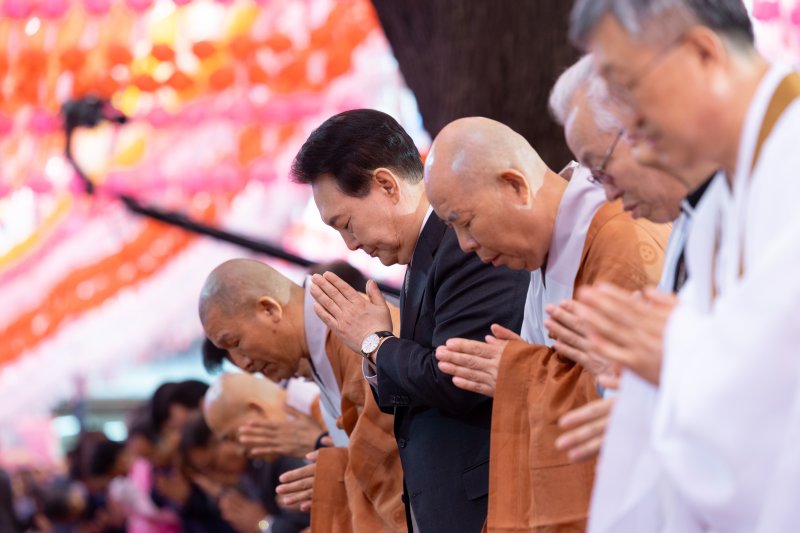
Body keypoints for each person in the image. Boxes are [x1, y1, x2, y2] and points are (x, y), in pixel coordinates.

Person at [569, 1, 800, 531]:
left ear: (702, 52)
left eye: (626, 90)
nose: (624, 122)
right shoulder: (720, 206)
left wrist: (674, 354)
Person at [423, 116, 669, 530]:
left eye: (465, 223)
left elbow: (638, 392)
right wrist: (521, 372)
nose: (465, 245)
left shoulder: (618, 238)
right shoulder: (546, 250)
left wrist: (519, 375)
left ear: (516, 185)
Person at [292, 108, 530, 532]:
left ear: (385, 184)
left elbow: (459, 377)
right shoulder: (422, 257)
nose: (349, 244)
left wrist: (374, 342)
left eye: (346, 223)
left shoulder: (461, 243)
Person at [199, 259, 407, 532]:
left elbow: (397, 470)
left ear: (269, 309)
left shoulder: (348, 330)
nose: (244, 365)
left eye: (236, 343)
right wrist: (341, 471)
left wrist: (343, 472)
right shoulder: (321, 348)